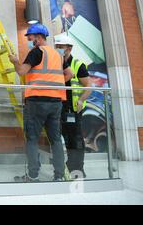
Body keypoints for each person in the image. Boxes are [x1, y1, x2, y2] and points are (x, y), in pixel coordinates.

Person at [9, 23, 66, 182]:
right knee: (55, 139)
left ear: (39, 37)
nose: (29, 40)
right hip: (56, 102)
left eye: (30, 37)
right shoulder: (57, 54)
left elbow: (21, 71)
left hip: (37, 101)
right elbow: (66, 73)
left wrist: (14, 61)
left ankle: (33, 176)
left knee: (32, 138)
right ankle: (59, 176)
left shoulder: (36, 52)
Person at [55, 35, 91, 178]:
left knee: (75, 138)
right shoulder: (56, 64)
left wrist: (81, 100)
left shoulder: (78, 64)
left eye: (61, 47)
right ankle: (65, 166)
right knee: (62, 137)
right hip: (58, 107)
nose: (58, 49)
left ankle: (77, 169)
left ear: (69, 48)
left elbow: (88, 86)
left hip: (73, 108)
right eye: (57, 46)